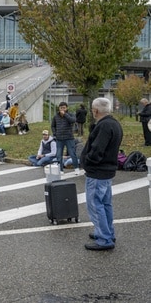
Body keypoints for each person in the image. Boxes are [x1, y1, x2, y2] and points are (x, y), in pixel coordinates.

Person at [81, 97, 122, 251]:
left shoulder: (104, 126)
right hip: (107, 170)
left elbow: (97, 149)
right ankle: (107, 232)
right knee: (105, 204)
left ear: (95, 110)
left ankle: (104, 238)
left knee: (95, 205)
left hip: (98, 171)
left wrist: (88, 161)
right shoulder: (114, 124)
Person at [51, 101, 79, 174]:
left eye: (64, 108)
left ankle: (76, 168)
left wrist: (65, 115)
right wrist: (55, 133)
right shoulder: (56, 116)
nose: (62, 109)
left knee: (72, 153)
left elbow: (73, 121)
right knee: (59, 154)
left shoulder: (70, 115)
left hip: (69, 137)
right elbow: (53, 125)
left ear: (66, 108)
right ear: (59, 108)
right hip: (59, 138)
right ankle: (60, 170)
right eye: (61, 108)